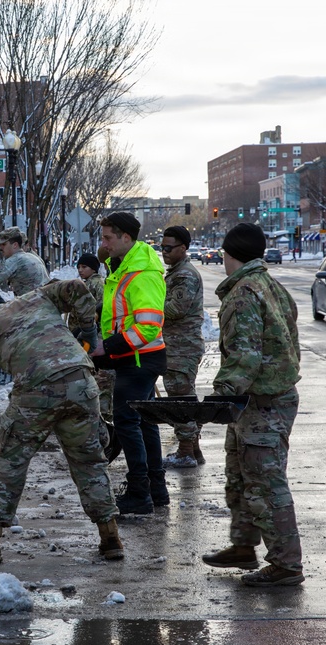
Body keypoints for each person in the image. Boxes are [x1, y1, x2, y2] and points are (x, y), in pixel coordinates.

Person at [0, 281, 123, 564]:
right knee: (89, 462)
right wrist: (87, 329)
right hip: (81, 383)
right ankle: (111, 538)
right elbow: (76, 288)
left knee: (8, 462)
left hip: (36, 392)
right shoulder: (36, 296)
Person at [201, 222, 304, 587]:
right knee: (240, 473)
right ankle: (243, 545)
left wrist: (219, 397)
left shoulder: (245, 293)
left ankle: (287, 565)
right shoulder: (271, 285)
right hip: (259, 400)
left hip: (263, 402)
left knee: (265, 482)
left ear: (230, 254)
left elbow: (245, 357)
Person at [90, 212, 167, 514]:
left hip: (139, 360)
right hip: (134, 358)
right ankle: (155, 490)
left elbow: (148, 326)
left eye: (108, 237)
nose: (104, 244)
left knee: (126, 423)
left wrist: (106, 347)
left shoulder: (142, 273)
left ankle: (139, 493)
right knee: (144, 422)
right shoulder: (123, 268)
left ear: (126, 237)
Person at [159, 225, 206, 468]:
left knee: (180, 399)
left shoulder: (184, 275)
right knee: (183, 396)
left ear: (183, 248)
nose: (164, 251)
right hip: (178, 346)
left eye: (168, 247)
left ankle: (186, 451)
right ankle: (193, 450)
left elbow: (175, 310)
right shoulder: (175, 273)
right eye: (161, 247)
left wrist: (147, 306)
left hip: (182, 347)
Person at [77, 252, 114, 430]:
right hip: (86, 334)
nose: (80, 270)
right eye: (79, 267)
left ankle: (104, 417)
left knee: (99, 377)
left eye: (84, 267)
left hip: (96, 335)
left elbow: (101, 308)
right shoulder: (87, 284)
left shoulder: (97, 284)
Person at [0, 226, 49, 296]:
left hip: (32, 304)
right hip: (44, 301)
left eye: (4, 244)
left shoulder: (14, 260)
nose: (0, 248)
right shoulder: (33, 257)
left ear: (15, 245)